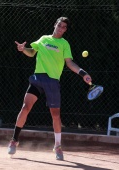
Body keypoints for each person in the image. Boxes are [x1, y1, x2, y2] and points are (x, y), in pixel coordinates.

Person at [7, 17, 92, 160]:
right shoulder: (43, 39)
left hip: (52, 82)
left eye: (64, 27)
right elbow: (32, 52)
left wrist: (83, 73)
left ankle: (58, 146)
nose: (60, 28)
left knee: (55, 115)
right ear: (55, 24)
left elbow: (69, 63)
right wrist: (23, 49)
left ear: (65, 30)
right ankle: (14, 140)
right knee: (25, 107)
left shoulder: (64, 44)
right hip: (37, 78)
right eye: (59, 25)